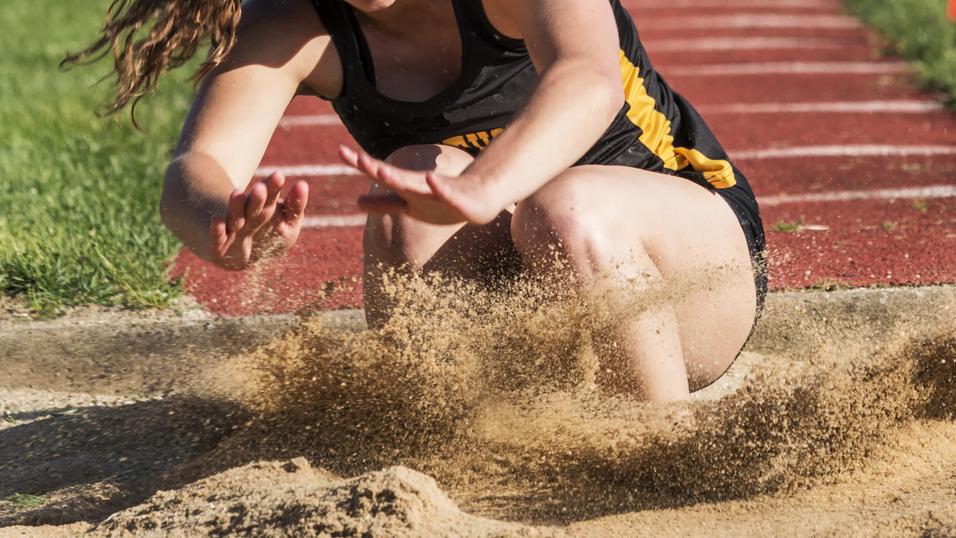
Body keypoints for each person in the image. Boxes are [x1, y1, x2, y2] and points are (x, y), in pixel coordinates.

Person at [70, 0, 766, 402]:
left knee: (564, 208)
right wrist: (221, 218)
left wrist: (483, 187)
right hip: (529, 312)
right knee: (408, 188)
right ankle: (444, 439)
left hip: (684, 275)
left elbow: (589, 78)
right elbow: (196, 166)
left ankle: (661, 451)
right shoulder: (292, 23)